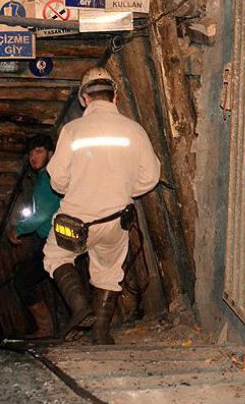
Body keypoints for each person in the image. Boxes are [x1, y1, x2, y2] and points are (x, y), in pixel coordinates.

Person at [44, 67, 161, 344]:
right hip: (114, 221)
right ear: (115, 96)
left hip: (75, 224)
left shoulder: (72, 131)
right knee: (109, 273)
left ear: (84, 98)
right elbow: (151, 177)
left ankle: (80, 306)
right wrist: (121, 190)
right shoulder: (134, 131)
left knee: (56, 256)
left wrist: (75, 188)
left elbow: (57, 180)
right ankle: (100, 334)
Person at [8, 134, 62, 339]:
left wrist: (18, 229)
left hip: (56, 239)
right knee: (40, 275)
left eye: (38, 151)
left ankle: (47, 329)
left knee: (23, 279)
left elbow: (42, 214)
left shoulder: (48, 177)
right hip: (52, 238)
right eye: (31, 153)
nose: (33, 157)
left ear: (50, 153)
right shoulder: (44, 177)